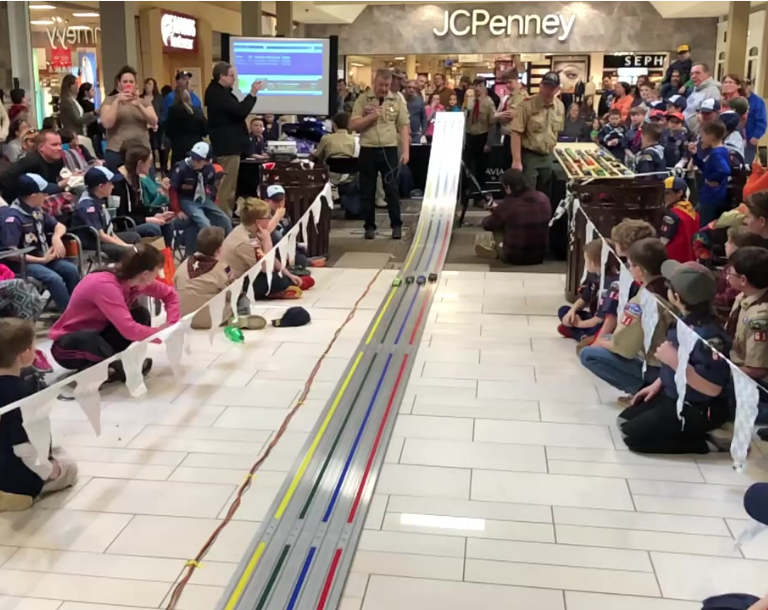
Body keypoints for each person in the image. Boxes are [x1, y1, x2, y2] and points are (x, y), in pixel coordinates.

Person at [618, 260, 731, 455]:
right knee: (624, 422)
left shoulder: (708, 336)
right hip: (673, 394)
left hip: (698, 406)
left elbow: (713, 389)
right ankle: (684, 430)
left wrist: (675, 361)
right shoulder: (684, 320)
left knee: (633, 439)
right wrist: (658, 384)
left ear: (676, 297)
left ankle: (705, 444)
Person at [49, 244, 178, 381]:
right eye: (156, 272)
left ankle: (112, 365)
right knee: (90, 339)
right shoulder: (105, 285)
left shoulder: (133, 280)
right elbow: (129, 330)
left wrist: (172, 325)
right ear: (145, 274)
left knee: (141, 314)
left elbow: (170, 295)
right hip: (68, 345)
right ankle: (118, 367)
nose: (157, 277)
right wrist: (162, 334)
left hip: (99, 333)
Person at [0, 318, 78, 512]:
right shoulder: (22, 394)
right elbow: (25, 449)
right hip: (15, 481)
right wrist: (51, 472)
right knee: (68, 466)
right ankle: (15, 495)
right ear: (25, 354)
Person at [580, 238, 673, 397]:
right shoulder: (669, 286)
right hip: (668, 358)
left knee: (588, 353)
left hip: (655, 364)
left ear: (640, 270)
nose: (628, 269)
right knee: (607, 338)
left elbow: (625, 349)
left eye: (630, 265)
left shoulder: (643, 299)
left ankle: (641, 391)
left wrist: (601, 342)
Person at [0, 174, 80, 311]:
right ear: (32, 195)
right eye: (44, 192)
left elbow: (59, 226)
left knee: (71, 270)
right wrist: (41, 260)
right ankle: (69, 314)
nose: (47, 195)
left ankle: (80, 306)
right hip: (23, 263)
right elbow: (10, 253)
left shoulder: (36, 210)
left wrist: (56, 238)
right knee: (53, 278)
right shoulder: (12, 218)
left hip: (44, 256)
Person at [350, 68, 409, 241]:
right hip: (368, 149)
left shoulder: (396, 99)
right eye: (381, 85)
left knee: (391, 190)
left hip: (389, 149)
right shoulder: (363, 99)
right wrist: (370, 117)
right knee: (367, 190)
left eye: (387, 85)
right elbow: (353, 124)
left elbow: (404, 126)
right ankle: (369, 226)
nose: (384, 89)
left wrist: (406, 151)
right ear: (374, 82)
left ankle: (396, 225)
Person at [220, 197, 309, 300]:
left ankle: (290, 279)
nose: (270, 219)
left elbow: (269, 258)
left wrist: (288, 274)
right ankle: (276, 291)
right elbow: (267, 269)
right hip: (238, 282)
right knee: (277, 280)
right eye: (268, 217)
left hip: (254, 271)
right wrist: (267, 241)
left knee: (296, 263)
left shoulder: (251, 230)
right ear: (258, 222)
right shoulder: (245, 242)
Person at [204, 61, 263, 218]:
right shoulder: (218, 94)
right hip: (227, 147)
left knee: (228, 187)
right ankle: (223, 220)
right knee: (226, 189)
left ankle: (224, 217)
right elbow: (240, 111)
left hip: (229, 145)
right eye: (231, 75)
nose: (234, 79)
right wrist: (252, 93)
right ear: (221, 76)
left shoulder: (220, 92)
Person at [174, 226, 246, 330]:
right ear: (219, 249)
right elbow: (232, 295)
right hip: (212, 319)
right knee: (242, 295)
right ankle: (242, 316)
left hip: (185, 318)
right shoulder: (221, 267)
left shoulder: (183, 265)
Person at [474, 168, 550, 265]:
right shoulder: (543, 198)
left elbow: (488, 224)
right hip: (540, 256)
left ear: (508, 187)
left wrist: (496, 211)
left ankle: (497, 248)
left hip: (515, 257)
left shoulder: (508, 205)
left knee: (498, 225)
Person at [169, 141, 232, 252]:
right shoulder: (181, 168)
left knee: (225, 220)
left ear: (208, 161)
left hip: (203, 198)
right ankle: (208, 252)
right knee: (205, 224)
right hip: (187, 199)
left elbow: (212, 189)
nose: (194, 161)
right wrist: (177, 210)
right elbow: (173, 191)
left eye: (198, 160)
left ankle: (226, 249)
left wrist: (213, 205)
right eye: (192, 157)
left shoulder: (210, 169)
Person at [510, 71, 565, 194]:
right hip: (530, 157)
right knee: (529, 195)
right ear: (540, 86)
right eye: (546, 86)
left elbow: (557, 133)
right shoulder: (527, 105)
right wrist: (517, 160)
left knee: (544, 195)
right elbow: (516, 133)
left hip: (548, 157)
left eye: (552, 88)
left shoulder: (560, 107)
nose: (548, 90)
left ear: (557, 89)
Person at [73, 166, 141, 262]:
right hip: (94, 243)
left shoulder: (98, 200)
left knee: (134, 237)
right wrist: (125, 246)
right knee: (126, 250)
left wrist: (125, 244)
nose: (113, 186)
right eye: (110, 184)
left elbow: (110, 232)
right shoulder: (88, 207)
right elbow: (101, 236)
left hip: (103, 238)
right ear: (100, 186)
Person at [726, 248, 768, 400]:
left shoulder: (759, 318)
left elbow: (758, 369)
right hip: (736, 365)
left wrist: (722, 374)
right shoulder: (745, 295)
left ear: (743, 280)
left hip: (756, 384)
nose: (727, 277)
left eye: (730, 273)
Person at [113, 143, 174, 245]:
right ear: (140, 163)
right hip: (124, 225)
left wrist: (157, 215)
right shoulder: (117, 183)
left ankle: (166, 257)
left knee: (167, 223)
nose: (150, 167)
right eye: (149, 163)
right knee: (152, 228)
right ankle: (151, 258)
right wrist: (148, 219)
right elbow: (121, 217)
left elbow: (140, 208)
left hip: (136, 220)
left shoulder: (136, 178)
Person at [100, 66, 158, 171]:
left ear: (135, 84)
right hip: (117, 151)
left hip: (142, 151)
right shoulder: (110, 100)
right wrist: (117, 101)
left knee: (146, 185)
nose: (128, 84)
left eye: (131, 81)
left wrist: (138, 105)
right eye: (125, 81)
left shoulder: (144, 101)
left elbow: (153, 121)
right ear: (119, 84)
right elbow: (107, 123)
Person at [558, 239, 610, 342]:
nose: (585, 264)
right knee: (563, 310)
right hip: (592, 316)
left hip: (601, 322)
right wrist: (572, 311)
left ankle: (581, 335)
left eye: (586, 261)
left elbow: (600, 318)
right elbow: (583, 299)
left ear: (594, 262)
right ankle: (581, 333)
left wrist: (579, 324)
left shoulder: (609, 283)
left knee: (599, 328)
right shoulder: (593, 277)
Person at [0, 130, 70, 204]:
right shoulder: (30, 161)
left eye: (60, 144)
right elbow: (5, 177)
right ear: (41, 147)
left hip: (46, 200)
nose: (59, 148)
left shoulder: (58, 160)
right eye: (54, 145)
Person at [694, 119, 731, 226]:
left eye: (703, 135)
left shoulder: (717, 154)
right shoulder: (719, 151)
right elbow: (705, 168)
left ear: (712, 136)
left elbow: (725, 170)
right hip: (710, 195)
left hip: (711, 197)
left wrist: (712, 179)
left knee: (704, 225)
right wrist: (695, 156)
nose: (701, 139)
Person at [464, 78, 496, 195]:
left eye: (480, 85)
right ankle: (466, 193)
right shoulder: (469, 101)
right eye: (475, 85)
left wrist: (489, 143)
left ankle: (479, 195)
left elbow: (492, 123)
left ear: (484, 87)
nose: (477, 88)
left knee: (480, 168)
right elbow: (463, 117)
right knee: (467, 167)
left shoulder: (488, 102)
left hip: (482, 136)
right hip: (469, 136)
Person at [659, 176, 699, 263]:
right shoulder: (694, 214)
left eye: (666, 193)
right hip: (691, 263)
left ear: (679, 193)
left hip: (672, 264)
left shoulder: (671, 215)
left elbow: (662, 242)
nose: (663, 197)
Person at [165, 88, 207, 167]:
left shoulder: (172, 111)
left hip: (179, 148)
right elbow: (205, 130)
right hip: (196, 148)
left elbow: (168, 131)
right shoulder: (197, 110)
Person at [684, 63, 721, 131]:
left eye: (697, 73)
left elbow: (711, 117)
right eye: (692, 74)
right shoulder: (696, 88)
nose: (693, 76)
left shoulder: (712, 91)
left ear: (707, 74)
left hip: (698, 132)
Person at [745, 79, 767, 165]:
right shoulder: (737, 98)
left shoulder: (757, 101)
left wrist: (756, 135)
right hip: (737, 137)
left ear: (751, 87)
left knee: (746, 164)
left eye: (746, 85)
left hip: (750, 139)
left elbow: (762, 120)